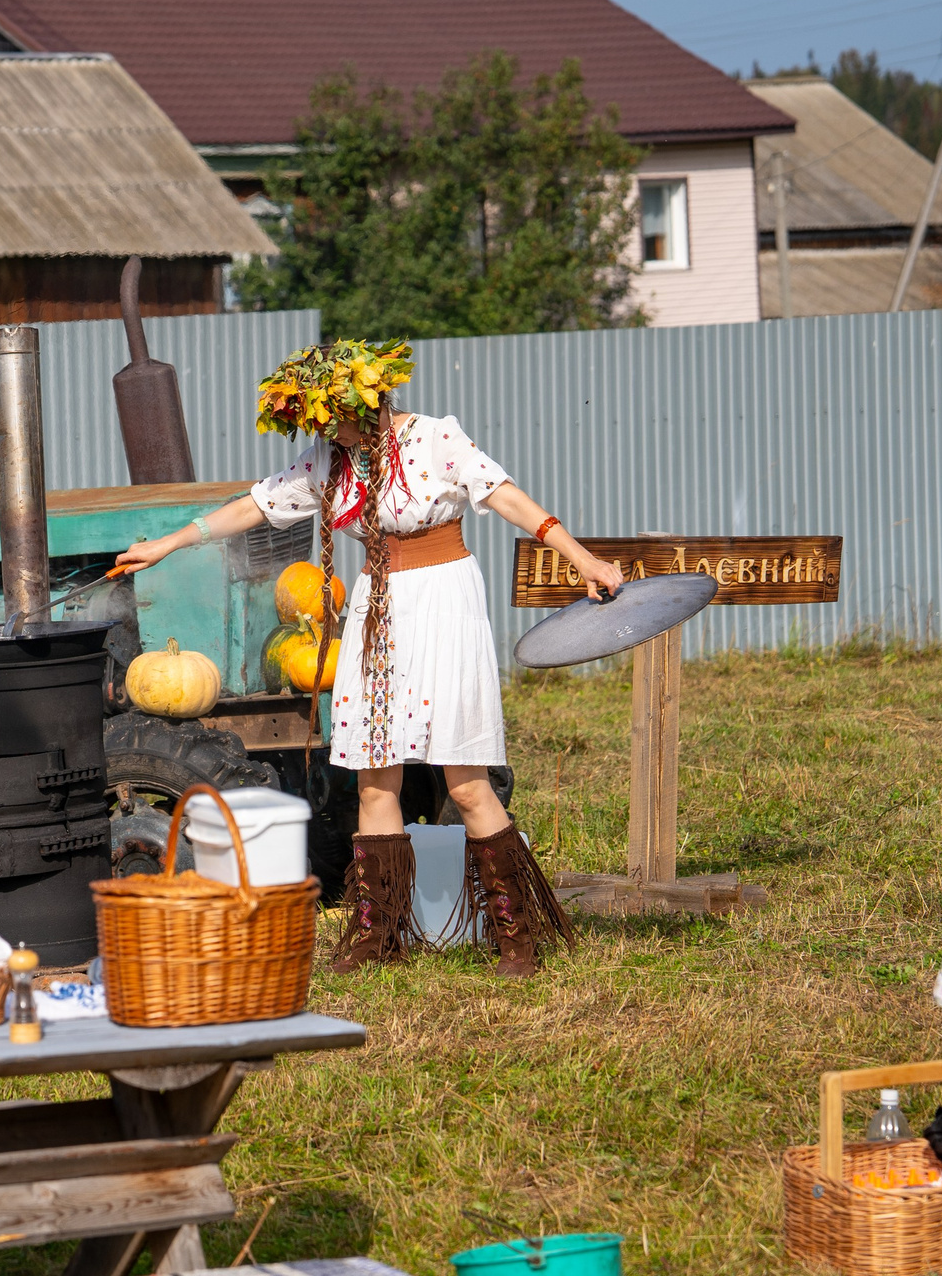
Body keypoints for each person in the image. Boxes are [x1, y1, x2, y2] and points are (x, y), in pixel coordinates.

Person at [115, 339, 624, 979]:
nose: (329, 434)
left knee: (465, 782)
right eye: (320, 426)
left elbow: (505, 496)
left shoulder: (437, 440)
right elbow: (255, 504)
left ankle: (515, 932)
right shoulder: (332, 462)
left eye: (334, 419)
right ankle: (375, 933)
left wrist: (583, 559)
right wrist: (166, 544)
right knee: (373, 776)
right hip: (377, 612)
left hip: (443, 603)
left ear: (367, 399)